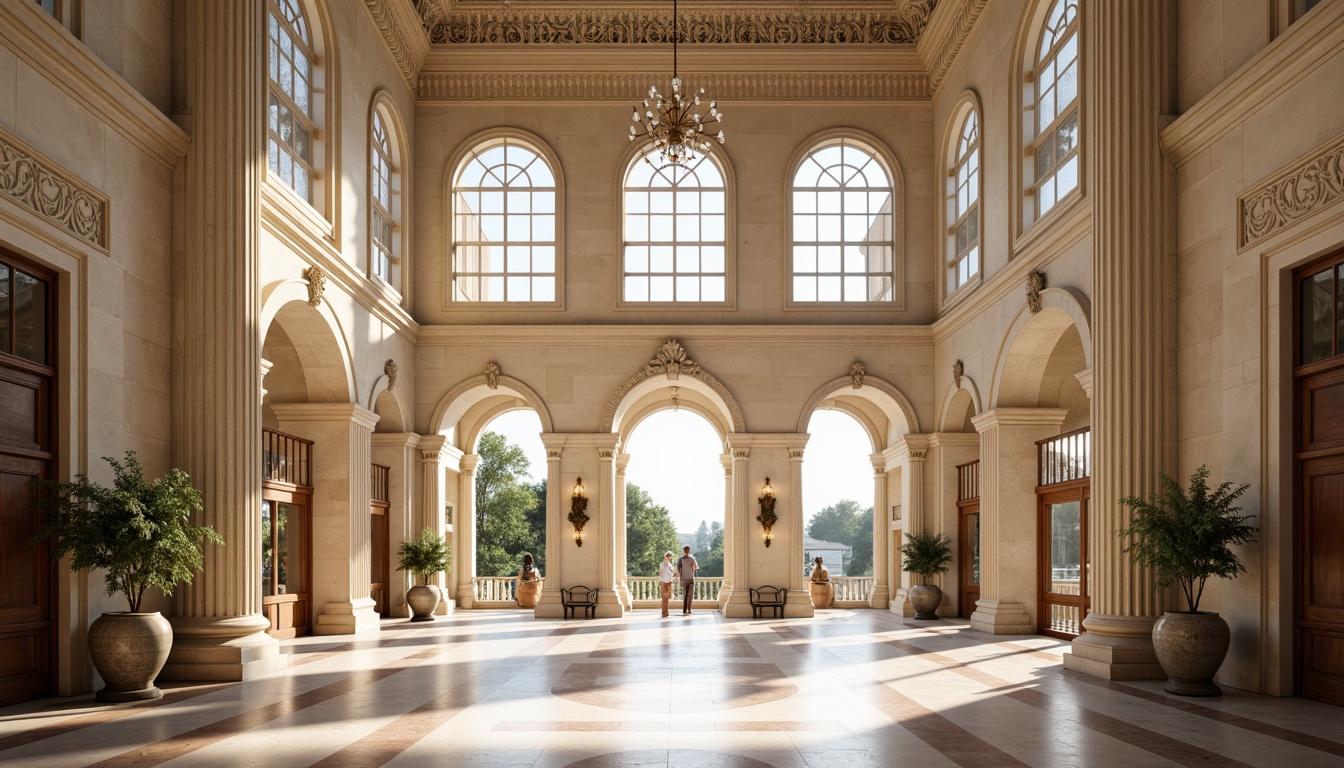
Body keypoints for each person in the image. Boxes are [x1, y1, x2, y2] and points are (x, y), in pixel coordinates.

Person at [676, 545, 698, 615]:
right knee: (690, 595)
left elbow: (678, 569)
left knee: (685, 594)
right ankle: (689, 609)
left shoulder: (680, 559)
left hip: (684, 578)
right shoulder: (692, 558)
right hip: (690, 578)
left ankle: (685, 610)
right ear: (689, 550)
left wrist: (681, 575)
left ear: (684, 550)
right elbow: (695, 568)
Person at [658, 551, 676, 617]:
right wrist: (660, 581)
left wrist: (672, 580)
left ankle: (666, 611)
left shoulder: (670, 564)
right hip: (663, 582)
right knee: (664, 598)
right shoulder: (662, 564)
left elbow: (672, 573)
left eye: (669, 556)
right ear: (665, 556)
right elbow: (660, 573)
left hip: (669, 582)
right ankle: (663, 612)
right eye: (667, 556)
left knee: (667, 598)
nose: (668, 557)